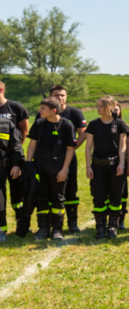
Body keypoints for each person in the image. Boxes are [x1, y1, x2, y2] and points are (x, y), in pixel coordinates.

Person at [35, 85, 87, 233]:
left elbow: (83, 133)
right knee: (50, 190)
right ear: (50, 97)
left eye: (63, 95)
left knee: (70, 189)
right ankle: (50, 223)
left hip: (67, 158)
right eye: (57, 95)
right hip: (47, 159)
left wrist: (73, 147)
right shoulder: (43, 113)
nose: (60, 98)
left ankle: (72, 222)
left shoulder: (75, 113)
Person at [26, 98, 77, 241]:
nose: (39, 111)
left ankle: (57, 229)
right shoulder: (38, 124)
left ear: (53, 110)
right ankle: (43, 229)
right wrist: (28, 165)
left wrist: (64, 169)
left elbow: (70, 149)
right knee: (41, 198)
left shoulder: (66, 126)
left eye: (43, 108)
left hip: (58, 168)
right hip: (40, 167)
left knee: (58, 198)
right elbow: (32, 145)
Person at [84, 96, 129, 239]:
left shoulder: (120, 124)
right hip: (98, 166)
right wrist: (88, 166)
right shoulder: (93, 124)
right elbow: (88, 146)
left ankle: (112, 227)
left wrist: (122, 164)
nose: (97, 108)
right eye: (97, 106)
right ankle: (100, 228)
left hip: (115, 165)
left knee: (116, 196)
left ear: (109, 107)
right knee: (99, 197)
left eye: (100, 106)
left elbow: (123, 146)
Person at [0, 81, 29, 237]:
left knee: (18, 194)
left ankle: (22, 225)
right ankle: (1, 231)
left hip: (12, 162)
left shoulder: (8, 121)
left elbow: (21, 137)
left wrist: (17, 162)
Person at [0, 116, 24, 242]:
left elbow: (16, 145)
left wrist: (16, 164)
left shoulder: (6, 124)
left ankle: (19, 226)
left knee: (16, 196)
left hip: (5, 166)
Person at [115, 103, 129, 230]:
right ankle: (108, 219)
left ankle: (120, 220)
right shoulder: (99, 125)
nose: (114, 111)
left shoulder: (124, 126)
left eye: (116, 109)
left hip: (120, 163)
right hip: (103, 162)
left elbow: (128, 149)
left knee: (122, 192)